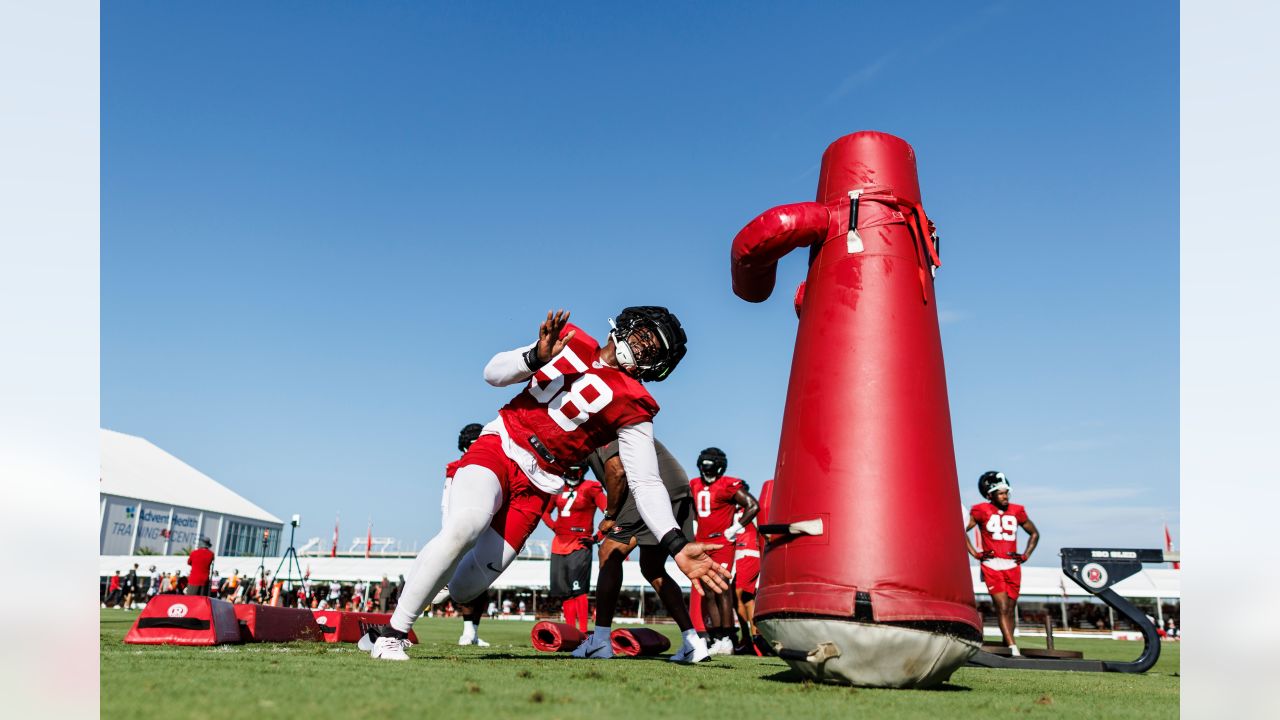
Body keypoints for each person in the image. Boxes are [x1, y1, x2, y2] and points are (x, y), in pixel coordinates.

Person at [365, 308, 730, 661]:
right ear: (627, 324)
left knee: (464, 587)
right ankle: (394, 635)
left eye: (656, 350)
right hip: (503, 444)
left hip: (540, 484)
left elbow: (646, 482)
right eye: (647, 336)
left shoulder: (636, 404)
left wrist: (677, 545)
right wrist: (534, 356)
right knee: (465, 526)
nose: (647, 347)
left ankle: (415, 595)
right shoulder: (571, 341)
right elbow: (492, 374)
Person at [574, 437, 709, 662]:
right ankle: (693, 642)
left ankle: (600, 642)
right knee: (652, 567)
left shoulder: (596, 427)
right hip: (676, 486)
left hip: (654, 487)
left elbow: (617, 471)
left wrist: (611, 516)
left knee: (609, 552)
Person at [688, 447, 758, 656]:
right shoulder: (694, 484)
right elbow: (691, 506)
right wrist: (693, 526)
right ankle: (717, 637)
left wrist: (733, 530)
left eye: (710, 469)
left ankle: (728, 637)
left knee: (721, 587)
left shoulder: (728, 484)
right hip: (701, 543)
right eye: (704, 468)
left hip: (721, 543)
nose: (706, 473)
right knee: (708, 590)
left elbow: (753, 506)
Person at [966, 471, 1040, 656]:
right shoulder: (980, 510)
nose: (1005, 496)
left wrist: (1025, 555)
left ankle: (1007, 644)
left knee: (1011, 608)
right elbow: (960, 529)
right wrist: (974, 553)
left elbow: (1034, 533)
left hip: (1012, 565)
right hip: (992, 564)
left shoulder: (1017, 510)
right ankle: (1013, 647)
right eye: (1000, 493)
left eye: (1006, 492)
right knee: (1002, 607)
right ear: (990, 494)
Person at [444, 423, 494, 647]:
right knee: (461, 580)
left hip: (486, 528)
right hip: (464, 527)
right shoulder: (456, 467)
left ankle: (472, 632)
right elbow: (446, 502)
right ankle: (466, 631)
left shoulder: (493, 464)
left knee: (482, 583)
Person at [543, 460, 607, 633]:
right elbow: (544, 511)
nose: (571, 474)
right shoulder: (558, 488)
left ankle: (584, 632)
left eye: (574, 470)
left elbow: (610, 512)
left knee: (578, 590)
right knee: (564, 592)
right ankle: (572, 632)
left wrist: (597, 537)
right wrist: (554, 526)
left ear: (582, 470)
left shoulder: (591, 487)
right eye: (568, 470)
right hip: (559, 545)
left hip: (580, 544)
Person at [730, 500, 764, 654]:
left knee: (735, 595)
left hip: (748, 553)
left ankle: (747, 639)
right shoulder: (731, 510)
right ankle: (757, 639)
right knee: (747, 598)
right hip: (743, 555)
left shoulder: (749, 509)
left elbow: (763, 531)